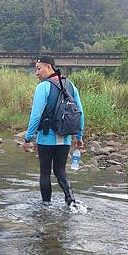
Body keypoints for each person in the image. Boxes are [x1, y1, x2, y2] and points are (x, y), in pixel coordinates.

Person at [23, 55, 84, 206]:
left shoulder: (43, 87)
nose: (36, 73)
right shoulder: (70, 84)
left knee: (45, 172)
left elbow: (36, 115)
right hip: (65, 138)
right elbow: (79, 111)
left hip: (46, 137)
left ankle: (46, 206)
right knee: (60, 171)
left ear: (49, 67)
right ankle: (70, 199)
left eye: (38, 69)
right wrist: (79, 136)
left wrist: (28, 138)